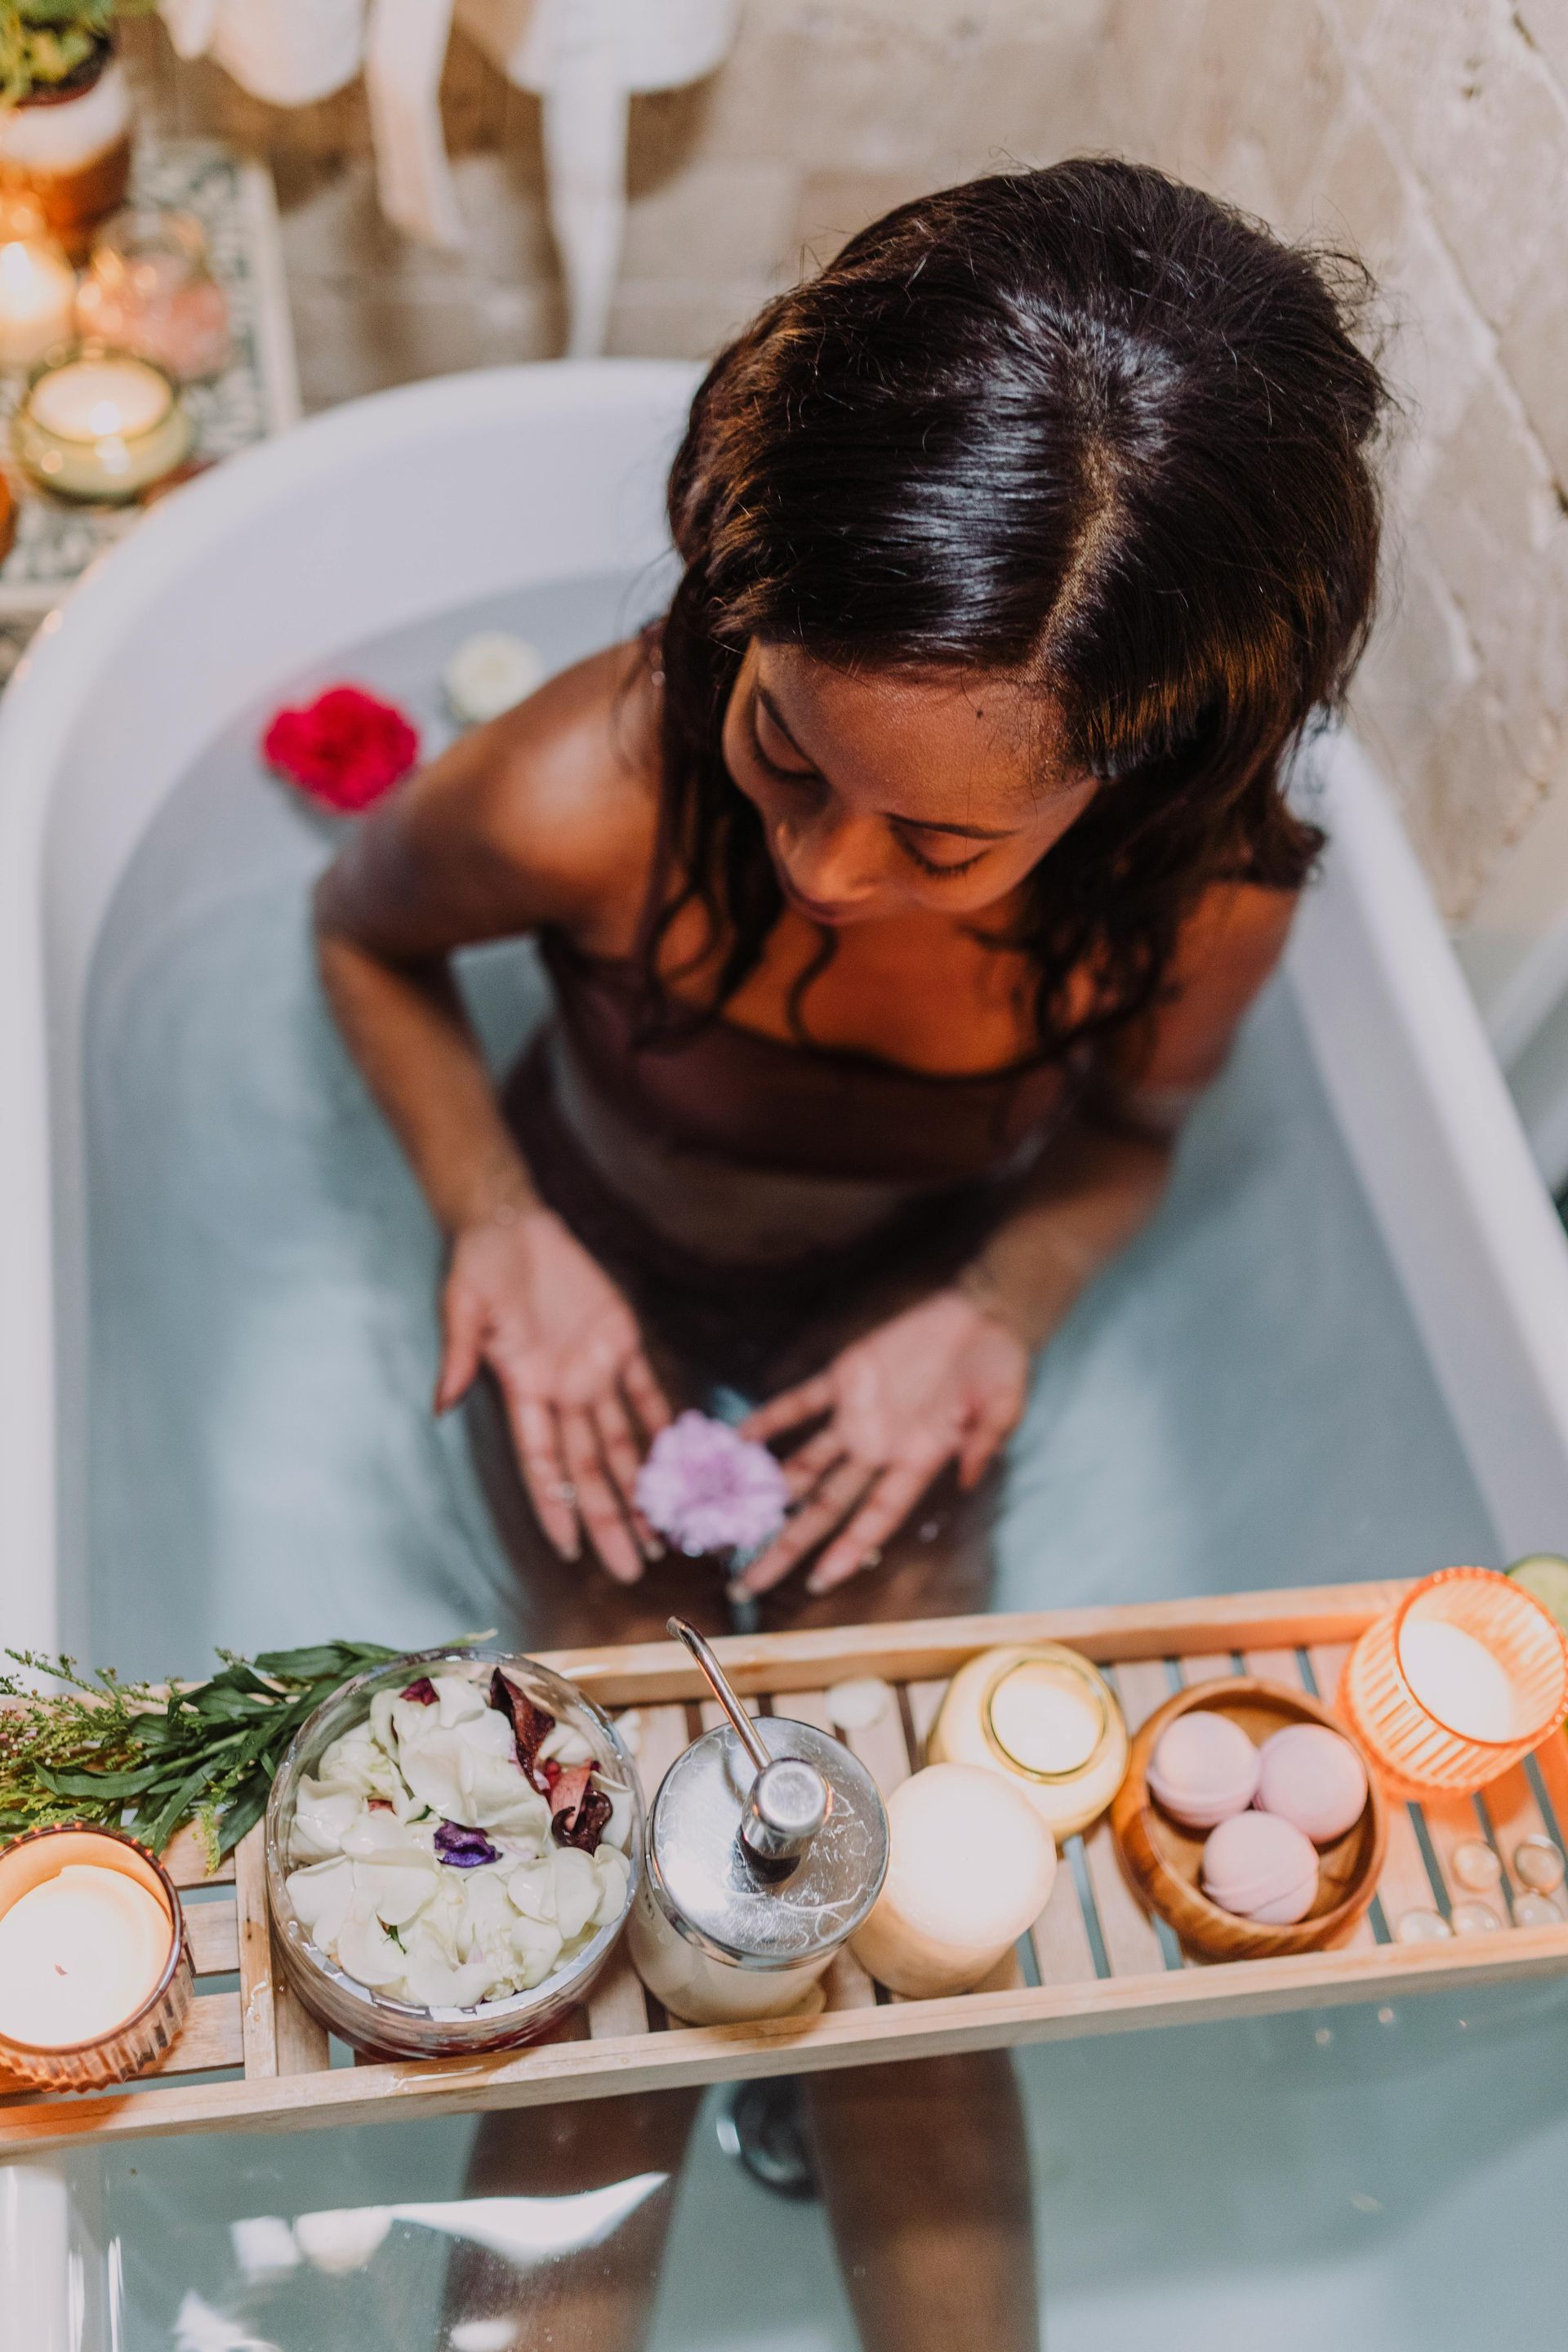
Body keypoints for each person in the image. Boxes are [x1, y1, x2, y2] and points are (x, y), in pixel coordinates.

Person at [314, 160, 1388, 2352]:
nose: (816, 865)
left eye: (944, 839)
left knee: (910, 1911)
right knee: (585, 1865)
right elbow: (362, 937)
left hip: (900, 1326)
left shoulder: (1207, 899)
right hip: (595, 1281)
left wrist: (995, 1307)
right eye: (785, 746)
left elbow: (1129, 1143)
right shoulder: (595, 784)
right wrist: (502, 1222)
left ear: (1140, 785)